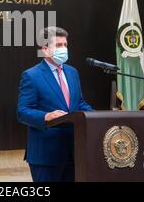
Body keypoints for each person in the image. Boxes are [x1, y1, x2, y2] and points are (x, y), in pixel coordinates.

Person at [17, 26, 93, 182]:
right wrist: (46, 116)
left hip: (74, 152)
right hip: (46, 155)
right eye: (59, 45)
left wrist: (95, 116)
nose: (64, 49)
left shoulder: (72, 72)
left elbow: (79, 103)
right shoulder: (31, 75)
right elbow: (23, 111)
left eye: (65, 45)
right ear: (45, 49)